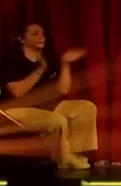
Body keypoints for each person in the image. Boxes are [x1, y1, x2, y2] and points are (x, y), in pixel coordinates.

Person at [0, 23, 97, 169]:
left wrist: (65, 64)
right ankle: (64, 158)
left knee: (86, 107)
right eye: (35, 34)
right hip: (14, 111)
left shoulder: (48, 58)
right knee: (56, 120)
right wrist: (40, 69)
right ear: (22, 39)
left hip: (45, 108)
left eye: (43, 34)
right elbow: (17, 92)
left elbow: (62, 89)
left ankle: (74, 155)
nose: (41, 37)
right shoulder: (12, 58)